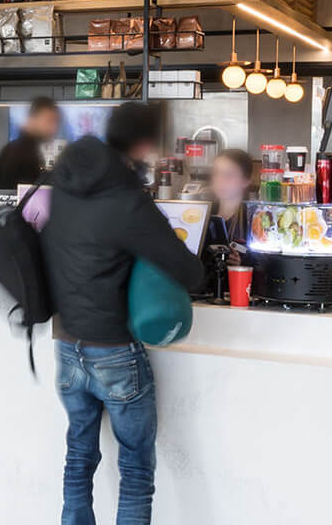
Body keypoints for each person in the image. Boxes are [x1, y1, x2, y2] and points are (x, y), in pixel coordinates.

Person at [38, 103, 202, 525]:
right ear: (145, 143)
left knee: (78, 458)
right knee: (134, 471)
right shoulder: (127, 199)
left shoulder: (64, 182)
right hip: (114, 352)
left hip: (66, 347)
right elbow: (189, 271)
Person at [200, 148, 256, 291]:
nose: (221, 181)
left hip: (238, 296)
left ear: (246, 180)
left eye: (229, 175)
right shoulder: (201, 216)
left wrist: (241, 265)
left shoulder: (253, 220)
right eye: (217, 173)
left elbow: (263, 269)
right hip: (203, 296)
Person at [0, 96, 60, 191]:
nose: (54, 128)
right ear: (33, 119)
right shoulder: (24, 151)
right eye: (49, 121)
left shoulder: (12, 147)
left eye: (56, 122)